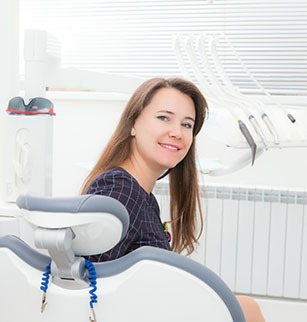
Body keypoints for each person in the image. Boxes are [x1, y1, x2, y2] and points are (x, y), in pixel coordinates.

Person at [81, 77, 265, 322]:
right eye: (164, 117)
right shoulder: (119, 190)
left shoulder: (141, 195)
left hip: (151, 309)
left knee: (245, 307)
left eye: (187, 125)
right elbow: (93, 286)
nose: (177, 133)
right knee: (245, 308)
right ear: (133, 123)